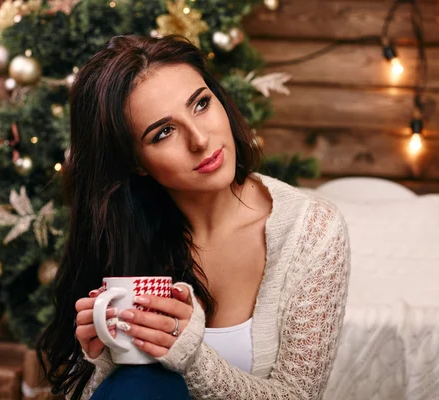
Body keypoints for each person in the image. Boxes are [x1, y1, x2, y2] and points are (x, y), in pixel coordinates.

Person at [37, 34, 351, 400]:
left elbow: (298, 397)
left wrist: (192, 359)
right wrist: (104, 360)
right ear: (136, 163)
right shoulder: (124, 233)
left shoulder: (311, 231)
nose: (200, 139)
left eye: (201, 104)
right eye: (164, 132)